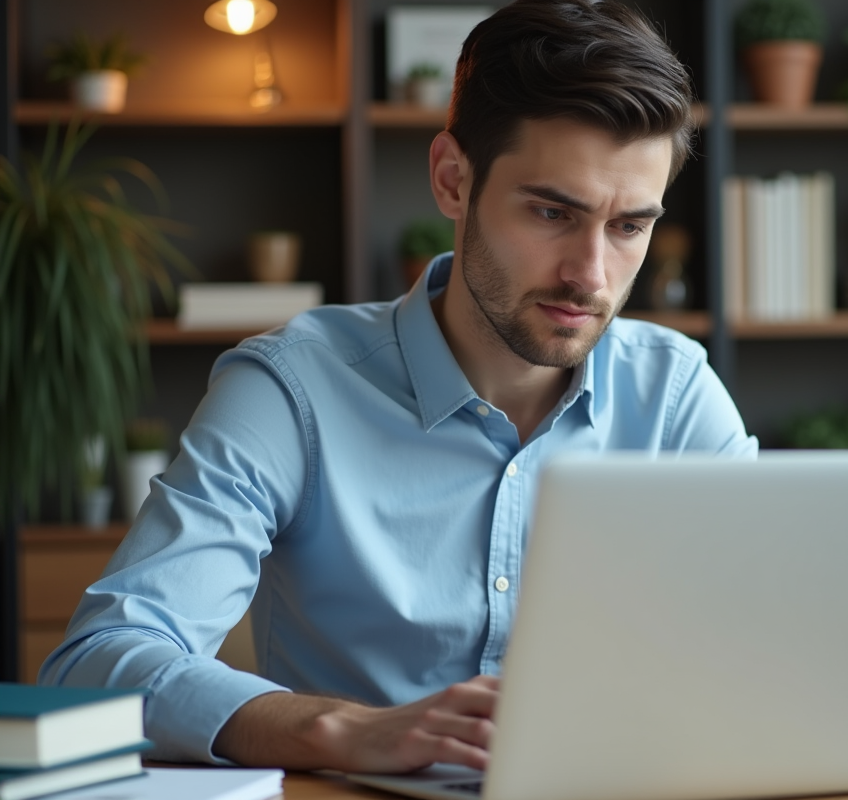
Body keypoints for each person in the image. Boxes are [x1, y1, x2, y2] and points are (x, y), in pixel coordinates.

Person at [41, 0, 756, 773]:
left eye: (628, 227)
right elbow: (97, 662)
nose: (590, 275)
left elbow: (774, 646)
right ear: (453, 180)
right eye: (553, 212)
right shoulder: (294, 390)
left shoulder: (675, 394)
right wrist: (342, 731)